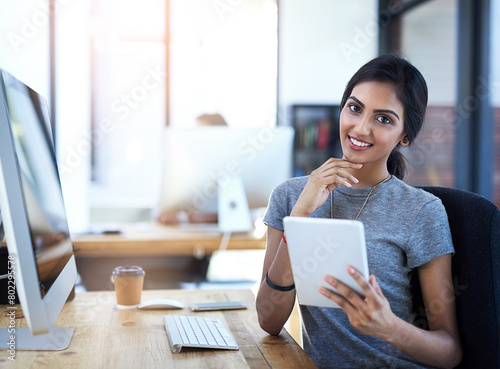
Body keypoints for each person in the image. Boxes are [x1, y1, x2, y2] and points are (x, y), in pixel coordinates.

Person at [256, 54, 462, 368]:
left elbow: (449, 352)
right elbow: (269, 320)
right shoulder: (290, 196)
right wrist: (298, 218)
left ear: (404, 135)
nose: (361, 128)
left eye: (383, 119)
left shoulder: (422, 211)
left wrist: (388, 327)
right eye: (355, 108)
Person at [158, 113, 228, 225]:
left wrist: (208, 217)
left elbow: (251, 209)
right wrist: (180, 216)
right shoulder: (186, 167)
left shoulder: (234, 163)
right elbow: (165, 212)